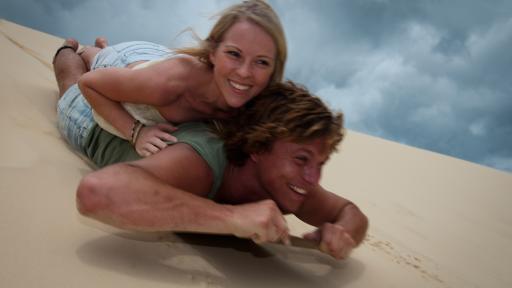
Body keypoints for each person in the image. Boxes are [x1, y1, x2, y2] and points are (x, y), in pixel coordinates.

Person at [70, 79, 368, 260]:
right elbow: (96, 193)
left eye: (320, 164)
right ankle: (71, 51)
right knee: (70, 78)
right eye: (302, 160)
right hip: (90, 119)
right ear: (257, 147)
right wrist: (232, 217)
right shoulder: (201, 160)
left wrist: (342, 232)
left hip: (145, 87)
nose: (313, 179)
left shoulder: (290, 185)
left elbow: (352, 212)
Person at [55, 0, 287, 157]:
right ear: (213, 51)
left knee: (121, 70)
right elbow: (90, 84)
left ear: (274, 68)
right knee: (73, 86)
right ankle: (79, 49)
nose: (245, 72)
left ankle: (102, 49)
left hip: (149, 62)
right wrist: (135, 132)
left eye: (261, 62)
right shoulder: (170, 83)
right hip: (129, 74)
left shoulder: (258, 100)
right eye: (234, 54)